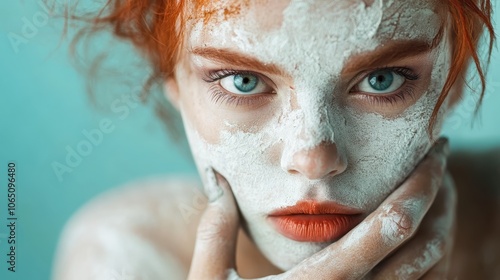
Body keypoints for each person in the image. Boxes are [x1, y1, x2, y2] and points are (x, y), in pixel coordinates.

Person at [53, 0, 498, 279]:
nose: (312, 158)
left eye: (381, 80)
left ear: (452, 80)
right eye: (243, 81)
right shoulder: (124, 256)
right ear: (177, 86)